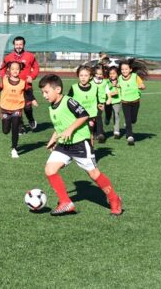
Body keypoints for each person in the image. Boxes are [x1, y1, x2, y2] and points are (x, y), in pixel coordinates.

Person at [38, 74, 123, 216]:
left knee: (93, 174)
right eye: (42, 93)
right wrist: (54, 138)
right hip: (64, 144)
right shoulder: (51, 106)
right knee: (50, 169)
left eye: (46, 92)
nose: (44, 95)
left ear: (57, 89)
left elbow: (84, 115)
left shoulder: (69, 101)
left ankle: (114, 200)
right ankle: (65, 202)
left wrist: (70, 130)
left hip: (80, 144)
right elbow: (60, 125)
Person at [0, 36, 40, 132]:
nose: (18, 46)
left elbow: (36, 68)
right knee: (16, 107)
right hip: (13, 87)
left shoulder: (30, 56)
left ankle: (30, 119)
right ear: (14, 45)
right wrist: (4, 76)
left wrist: (32, 76)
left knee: (27, 107)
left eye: (20, 44)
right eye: (16, 44)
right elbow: (3, 69)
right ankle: (20, 126)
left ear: (24, 45)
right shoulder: (8, 57)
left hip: (26, 87)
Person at [0, 61, 29, 158]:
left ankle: (14, 149)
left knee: (15, 128)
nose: (15, 71)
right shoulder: (4, 80)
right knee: (6, 130)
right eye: (13, 69)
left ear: (20, 70)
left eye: (17, 69)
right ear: (9, 70)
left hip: (17, 108)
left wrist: (33, 100)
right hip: (5, 108)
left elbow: (28, 93)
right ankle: (8, 123)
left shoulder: (23, 83)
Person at [67, 65, 104, 144]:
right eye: (81, 75)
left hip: (91, 116)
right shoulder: (74, 88)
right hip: (78, 116)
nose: (83, 78)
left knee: (89, 134)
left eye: (86, 75)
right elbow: (67, 100)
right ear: (78, 76)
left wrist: (99, 104)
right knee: (78, 135)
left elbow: (96, 98)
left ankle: (91, 153)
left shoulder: (95, 87)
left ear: (90, 76)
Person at [118, 59, 147, 146]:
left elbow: (143, 86)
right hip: (125, 102)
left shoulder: (135, 76)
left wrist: (141, 86)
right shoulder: (119, 78)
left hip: (135, 101)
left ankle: (129, 124)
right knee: (128, 120)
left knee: (133, 119)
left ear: (130, 69)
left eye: (126, 69)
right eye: (122, 69)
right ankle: (130, 136)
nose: (124, 71)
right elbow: (118, 86)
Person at [104, 66, 123, 139]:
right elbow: (104, 92)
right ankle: (107, 118)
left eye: (114, 73)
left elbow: (123, 88)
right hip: (108, 101)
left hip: (117, 101)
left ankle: (116, 131)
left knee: (116, 114)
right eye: (110, 73)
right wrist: (111, 94)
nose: (112, 75)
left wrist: (117, 85)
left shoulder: (120, 80)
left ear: (117, 74)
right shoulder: (107, 82)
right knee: (108, 113)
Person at [91, 65, 108, 143]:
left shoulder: (105, 82)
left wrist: (109, 99)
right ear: (94, 74)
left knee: (98, 116)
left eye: (100, 74)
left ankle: (100, 134)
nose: (99, 76)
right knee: (93, 117)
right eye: (97, 74)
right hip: (92, 102)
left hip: (101, 102)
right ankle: (94, 133)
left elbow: (108, 91)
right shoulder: (91, 81)